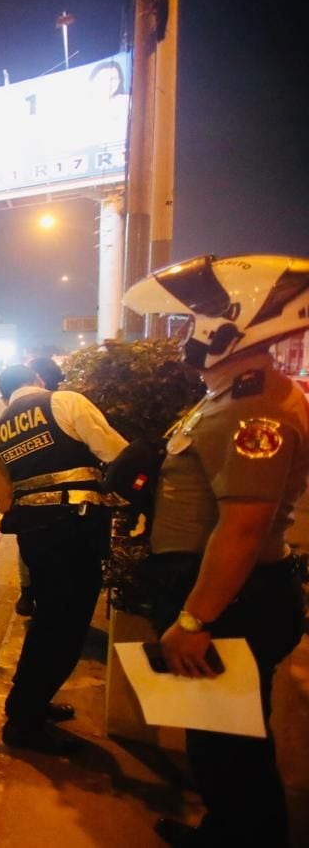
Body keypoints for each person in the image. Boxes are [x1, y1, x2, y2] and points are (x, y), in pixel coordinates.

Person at [124, 253, 309, 847]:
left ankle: (241, 836)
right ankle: (227, 830)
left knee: (230, 748)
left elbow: (243, 528)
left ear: (235, 324)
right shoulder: (229, 396)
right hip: (221, 595)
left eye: (193, 321)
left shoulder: (252, 407)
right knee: (218, 737)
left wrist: (194, 620)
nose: (186, 334)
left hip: (231, 604)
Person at [0, 364, 127, 755]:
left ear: (4, 396)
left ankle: (30, 702)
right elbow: (117, 454)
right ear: (38, 381)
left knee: (49, 621)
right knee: (65, 627)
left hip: (35, 535)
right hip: (73, 529)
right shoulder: (64, 402)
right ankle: (24, 720)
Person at [10, 356, 67, 616]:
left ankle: (29, 592)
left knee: (29, 544)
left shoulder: (22, 412)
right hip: (65, 505)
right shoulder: (64, 404)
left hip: (33, 501)